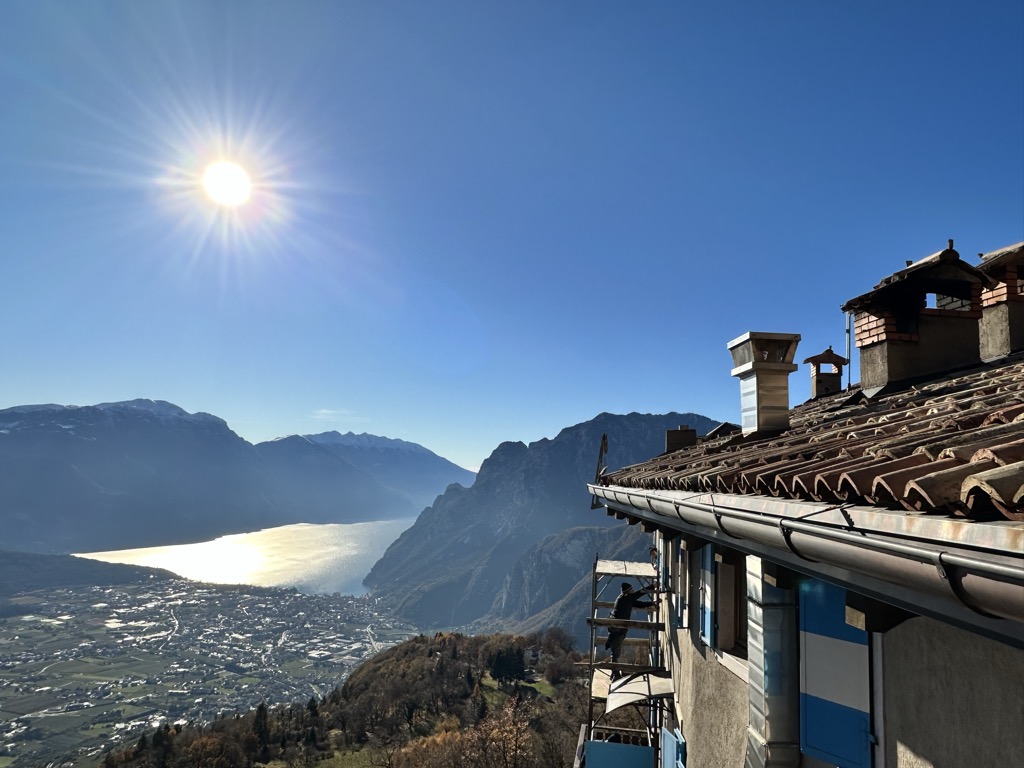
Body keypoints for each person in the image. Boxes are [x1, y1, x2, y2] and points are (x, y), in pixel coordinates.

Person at [604, 582, 655, 665]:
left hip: (616, 626)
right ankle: (615, 672)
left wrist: (651, 603)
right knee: (616, 650)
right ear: (628, 591)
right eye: (632, 589)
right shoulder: (625, 598)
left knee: (616, 648)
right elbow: (639, 593)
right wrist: (652, 587)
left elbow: (638, 604)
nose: (633, 591)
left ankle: (615, 671)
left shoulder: (624, 598)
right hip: (617, 626)